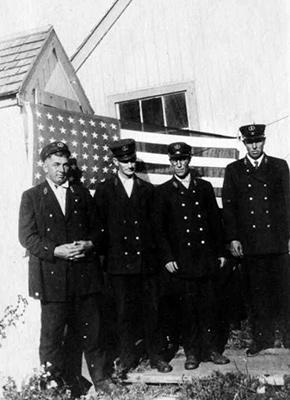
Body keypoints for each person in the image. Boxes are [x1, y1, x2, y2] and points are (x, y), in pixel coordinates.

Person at [19, 141, 107, 398]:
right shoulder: (32, 197)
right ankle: (52, 388)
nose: (61, 169)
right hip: (52, 279)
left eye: (65, 164)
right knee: (52, 338)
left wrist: (90, 244)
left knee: (93, 333)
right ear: (44, 165)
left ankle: (102, 381)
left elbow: (99, 230)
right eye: (55, 164)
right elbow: (27, 237)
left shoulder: (81, 194)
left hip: (84, 277)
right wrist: (55, 250)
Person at [93, 138, 172, 378]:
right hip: (119, 266)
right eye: (125, 161)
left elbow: (157, 228)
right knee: (124, 314)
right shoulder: (105, 190)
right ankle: (127, 358)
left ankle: (156, 355)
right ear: (115, 162)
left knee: (153, 311)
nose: (130, 165)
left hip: (146, 264)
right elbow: (99, 229)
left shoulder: (148, 190)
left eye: (132, 160)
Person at [154, 142, 230, 370]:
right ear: (170, 163)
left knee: (209, 306)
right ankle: (192, 353)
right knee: (188, 309)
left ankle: (211, 349)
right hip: (182, 261)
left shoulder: (204, 187)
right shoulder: (163, 192)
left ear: (189, 161)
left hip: (206, 258)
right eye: (175, 160)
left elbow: (215, 223)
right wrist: (167, 257)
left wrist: (221, 252)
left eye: (183, 159)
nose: (179, 164)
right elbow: (159, 230)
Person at [222, 124, 290, 355]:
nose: (254, 146)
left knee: (284, 290)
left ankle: (288, 336)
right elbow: (229, 207)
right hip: (251, 242)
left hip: (277, 241)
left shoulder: (279, 166)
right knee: (257, 293)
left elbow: (287, 203)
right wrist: (233, 238)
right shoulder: (234, 170)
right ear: (243, 143)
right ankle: (261, 338)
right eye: (250, 142)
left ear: (264, 141)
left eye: (258, 141)